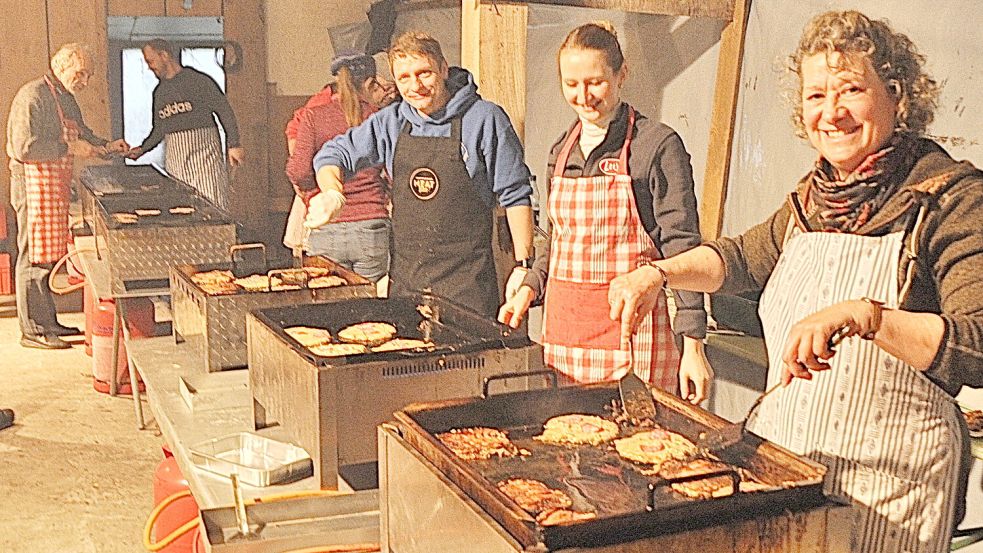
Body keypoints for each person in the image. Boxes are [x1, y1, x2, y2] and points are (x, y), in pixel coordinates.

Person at [607, 11, 981, 552]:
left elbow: (976, 345)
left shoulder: (949, 199)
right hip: (789, 471)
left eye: (851, 89)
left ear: (897, 95)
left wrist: (865, 316)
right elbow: (737, 260)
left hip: (891, 488)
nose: (832, 112)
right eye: (816, 96)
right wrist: (658, 272)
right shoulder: (813, 198)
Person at [497, 23, 712, 402]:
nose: (583, 96)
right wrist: (529, 288)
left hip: (634, 341)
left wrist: (693, 344)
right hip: (566, 342)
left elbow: (682, 246)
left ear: (621, 73)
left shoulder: (656, 145)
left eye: (595, 82)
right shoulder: (560, 152)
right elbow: (559, 245)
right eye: (571, 84)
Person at [312, 32, 534, 317]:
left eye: (424, 73)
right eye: (404, 78)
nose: (415, 86)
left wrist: (523, 265)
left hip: (467, 287)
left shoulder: (484, 118)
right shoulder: (391, 122)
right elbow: (332, 155)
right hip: (407, 286)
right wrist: (332, 192)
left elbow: (516, 194)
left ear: (443, 69)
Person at [6, 43, 129, 349]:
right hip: (31, 184)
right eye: (81, 73)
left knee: (47, 257)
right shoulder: (32, 95)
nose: (85, 81)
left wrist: (106, 147)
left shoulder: (66, 98)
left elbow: (82, 133)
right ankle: (33, 331)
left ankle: (48, 322)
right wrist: (69, 148)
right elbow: (25, 148)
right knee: (33, 256)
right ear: (60, 66)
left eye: (89, 75)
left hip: (53, 183)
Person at [284, 52, 397, 281]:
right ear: (370, 83)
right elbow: (394, 172)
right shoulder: (379, 118)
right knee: (370, 299)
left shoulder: (313, 116)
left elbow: (299, 170)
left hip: (326, 225)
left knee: (328, 299)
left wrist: (313, 192)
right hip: (371, 224)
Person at [126, 39, 244, 211]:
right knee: (181, 210)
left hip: (205, 162)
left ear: (164, 55)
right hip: (176, 165)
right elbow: (159, 129)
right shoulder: (160, 93)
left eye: (151, 61)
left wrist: (234, 144)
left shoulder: (198, 81)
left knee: (213, 209)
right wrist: (142, 149)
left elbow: (224, 110)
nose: (150, 67)